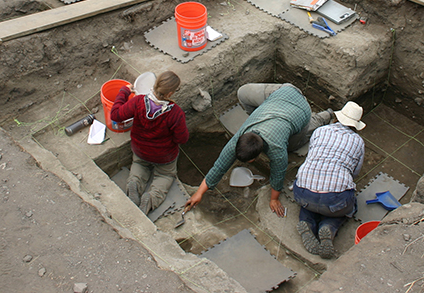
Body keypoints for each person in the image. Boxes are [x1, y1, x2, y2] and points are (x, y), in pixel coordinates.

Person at [184, 83, 333, 217]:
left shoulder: (278, 149)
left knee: (294, 145)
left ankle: (325, 116)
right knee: (243, 92)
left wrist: (274, 199)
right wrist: (199, 193)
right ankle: (266, 111)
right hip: (282, 92)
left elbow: (278, 175)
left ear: (253, 158)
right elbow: (220, 166)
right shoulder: (241, 136)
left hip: (301, 109)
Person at [109, 71, 189, 215]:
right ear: (170, 93)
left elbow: (115, 115)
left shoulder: (138, 101)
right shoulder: (176, 114)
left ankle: (134, 184)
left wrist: (124, 91)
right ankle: (151, 198)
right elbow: (181, 139)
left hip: (140, 150)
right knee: (164, 176)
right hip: (164, 157)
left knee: (139, 164)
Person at [293, 101, 365, 259]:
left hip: (302, 191)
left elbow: (311, 154)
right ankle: (329, 227)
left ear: (337, 118)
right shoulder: (358, 142)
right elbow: (355, 173)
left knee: (310, 204)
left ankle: (307, 223)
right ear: (355, 126)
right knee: (349, 205)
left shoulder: (321, 131)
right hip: (334, 200)